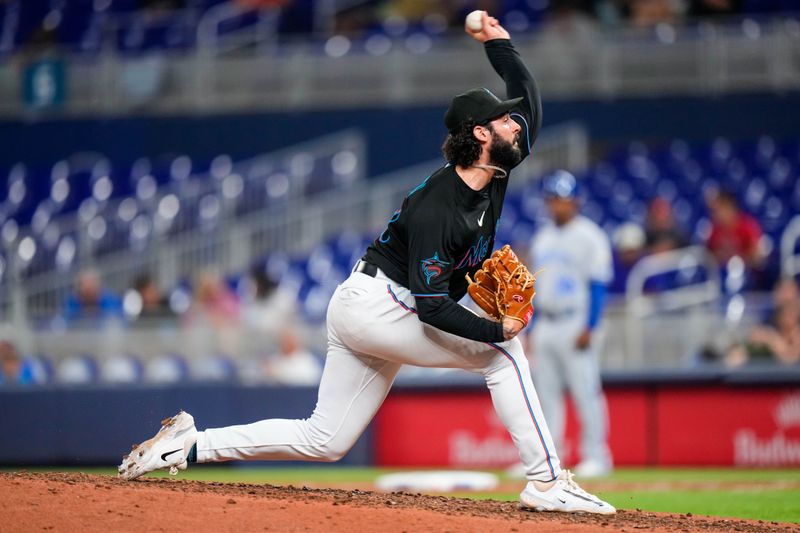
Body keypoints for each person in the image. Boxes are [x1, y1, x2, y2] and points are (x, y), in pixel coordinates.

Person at [118, 12, 615, 515]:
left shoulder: (496, 168)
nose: (518, 124)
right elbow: (431, 309)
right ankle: (547, 482)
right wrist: (497, 329)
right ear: (481, 134)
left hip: (375, 302)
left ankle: (188, 444)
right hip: (379, 306)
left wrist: (500, 43)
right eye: (505, 120)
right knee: (503, 354)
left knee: (325, 438)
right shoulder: (439, 208)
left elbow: (528, 97)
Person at [527, 170, 614, 478]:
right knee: (546, 395)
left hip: (576, 319)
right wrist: (531, 327)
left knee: (585, 390)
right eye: (552, 199)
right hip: (546, 322)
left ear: (575, 201)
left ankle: (597, 455)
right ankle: (551, 460)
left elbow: (599, 284)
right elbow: (535, 287)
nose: (556, 206)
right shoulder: (543, 237)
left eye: (562, 200)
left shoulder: (590, 236)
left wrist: (590, 325)